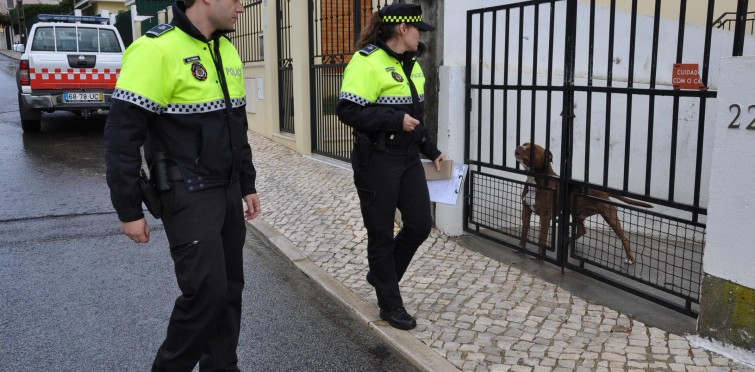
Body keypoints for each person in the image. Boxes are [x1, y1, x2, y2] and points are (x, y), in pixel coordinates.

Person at [103, 0, 260, 370]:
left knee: (229, 290)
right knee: (206, 293)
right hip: (186, 190)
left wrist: (247, 183)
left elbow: (238, 127)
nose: (241, 6)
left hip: (227, 188)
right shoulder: (155, 49)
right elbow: (121, 139)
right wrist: (128, 210)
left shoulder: (226, 48)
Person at [336, 3, 445, 331]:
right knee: (381, 233)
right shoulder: (367, 62)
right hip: (377, 160)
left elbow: (418, 118)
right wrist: (394, 119)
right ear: (402, 29)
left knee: (420, 225)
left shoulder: (413, 65)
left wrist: (432, 150)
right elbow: (348, 111)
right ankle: (390, 303)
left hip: (409, 159)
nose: (420, 35)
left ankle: (381, 275)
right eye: (418, 30)